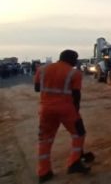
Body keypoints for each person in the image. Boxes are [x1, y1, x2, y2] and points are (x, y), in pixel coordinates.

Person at [33, 49, 91, 183]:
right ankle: (74, 162)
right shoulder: (74, 73)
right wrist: (76, 111)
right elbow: (76, 95)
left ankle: (44, 172)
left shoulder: (42, 69)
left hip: (46, 109)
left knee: (45, 139)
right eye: (75, 59)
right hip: (66, 108)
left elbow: (37, 88)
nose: (76, 62)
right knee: (78, 133)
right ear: (71, 59)